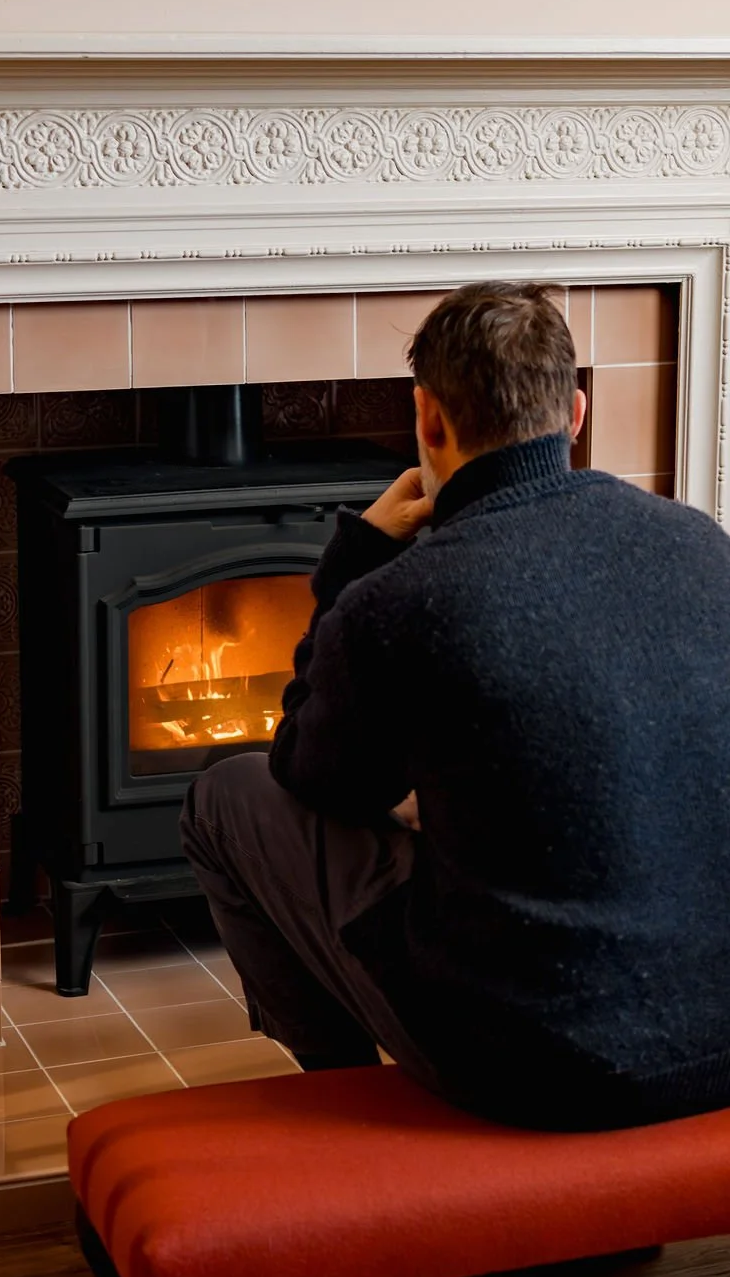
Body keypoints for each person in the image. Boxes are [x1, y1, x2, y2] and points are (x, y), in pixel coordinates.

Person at [180, 280, 730, 1132]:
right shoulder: (701, 542)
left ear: (428, 419)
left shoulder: (404, 598)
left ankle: (341, 1096)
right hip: (715, 1036)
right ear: (574, 413)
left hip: (534, 1063)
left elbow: (310, 773)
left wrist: (352, 562)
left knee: (228, 793)